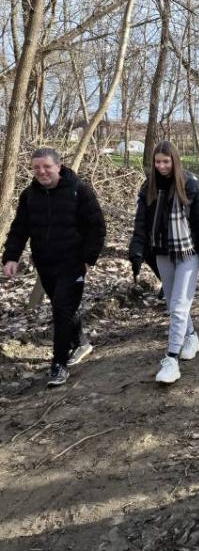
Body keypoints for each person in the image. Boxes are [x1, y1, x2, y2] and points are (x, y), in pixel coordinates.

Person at [2, 147, 106, 386]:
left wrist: (88, 259)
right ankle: (81, 343)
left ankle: (59, 364)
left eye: (47, 166)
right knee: (64, 308)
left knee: (61, 309)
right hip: (45, 264)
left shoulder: (79, 190)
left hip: (73, 263)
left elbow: (97, 227)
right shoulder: (29, 195)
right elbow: (19, 228)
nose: (42, 171)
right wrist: (11, 257)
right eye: (36, 167)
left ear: (58, 166)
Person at [129, 141, 199, 385]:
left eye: (166, 162)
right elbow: (141, 223)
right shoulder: (148, 187)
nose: (161, 166)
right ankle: (191, 337)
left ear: (174, 161)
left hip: (188, 252)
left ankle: (171, 360)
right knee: (173, 305)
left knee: (179, 307)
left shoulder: (189, 184)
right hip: (162, 252)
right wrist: (136, 252)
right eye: (157, 162)